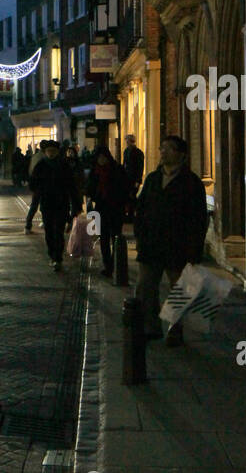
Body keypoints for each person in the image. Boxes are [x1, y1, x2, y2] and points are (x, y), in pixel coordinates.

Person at [134, 135, 208, 345]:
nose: (163, 152)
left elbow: (198, 219)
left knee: (179, 289)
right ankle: (151, 327)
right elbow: (141, 209)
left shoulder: (191, 182)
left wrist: (195, 250)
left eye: (168, 148)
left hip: (178, 244)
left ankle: (175, 328)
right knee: (146, 286)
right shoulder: (153, 179)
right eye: (161, 148)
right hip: (152, 243)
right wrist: (140, 235)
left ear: (181, 155)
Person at [86, 148, 129, 277]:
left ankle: (117, 263)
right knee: (103, 237)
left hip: (116, 207)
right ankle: (108, 265)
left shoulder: (117, 169)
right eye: (99, 157)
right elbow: (89, 188)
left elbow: (124, 187)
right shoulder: (95, 171)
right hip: (101, 207)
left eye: (104, 157)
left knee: (116, 236)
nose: (102, 160)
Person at [29, 141, 71, 270]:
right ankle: (52, 254)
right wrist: (39, 191)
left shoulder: (64, 166)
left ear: (57, 152)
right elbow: (33, 184)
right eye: (49, 151)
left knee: (58, 231)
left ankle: (57, 257)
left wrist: (75, 204)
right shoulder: (41, 166)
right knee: (49, 231)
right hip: (47, 203)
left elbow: (72, 185)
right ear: (45, 152)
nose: (51, 153)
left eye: (53, 151)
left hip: (61, 203)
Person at [24, 141, 47, 232]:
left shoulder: (35, 156)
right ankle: (44, 222)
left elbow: (30, 170)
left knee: (34, 206)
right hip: (43, 185)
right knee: (43, 205)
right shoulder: (44, 158)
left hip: (36, 185)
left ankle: (28, 225)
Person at [122, 134, 145, 224]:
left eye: (127, 140)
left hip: (134, 178)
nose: (126, 142)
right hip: (127, 178)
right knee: (128, 196)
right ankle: (129, 214)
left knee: (132, 196)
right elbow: (124, 164)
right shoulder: (126, 151)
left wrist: (138, 180)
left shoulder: (138, 152)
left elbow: (140, 167)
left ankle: (132, 214)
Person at [64, 146, 85, 232]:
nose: (70, 153)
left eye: (71, 152)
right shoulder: (64, 162)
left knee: (75, 206)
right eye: (68, 152)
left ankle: (72, 223)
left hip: (76, 187)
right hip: (66, 187)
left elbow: (81, 174)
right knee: (66, 206)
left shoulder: (78, 162)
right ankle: (70, 221)